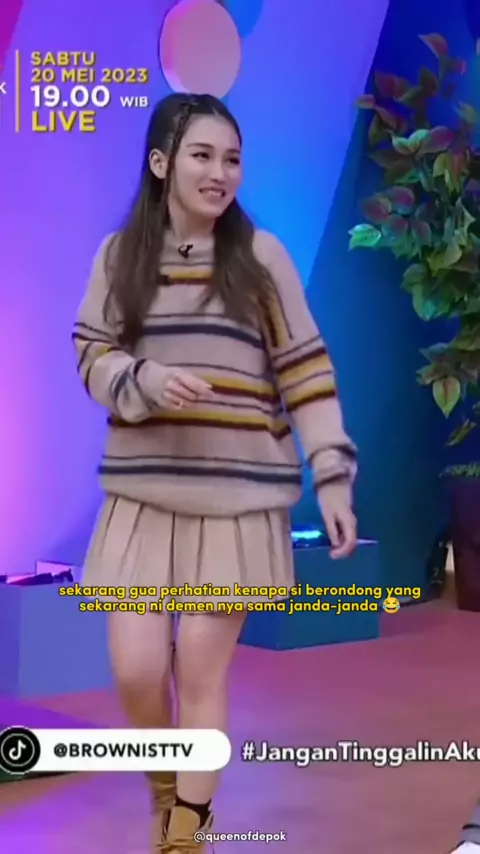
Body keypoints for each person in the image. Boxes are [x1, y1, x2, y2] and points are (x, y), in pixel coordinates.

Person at [72, 92, 357, 853]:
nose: (220, 172)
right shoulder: (119, 257)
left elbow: (305, 368)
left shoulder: (261, 258)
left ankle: (185, 832)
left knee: (200, 669)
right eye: (202, 155)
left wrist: (331, 472)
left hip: (237, 500)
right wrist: (142, 380)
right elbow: (91, 351)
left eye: (232, 159)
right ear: (161, 163)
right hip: (143, 494)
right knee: (137, 671)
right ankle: (168, 788)